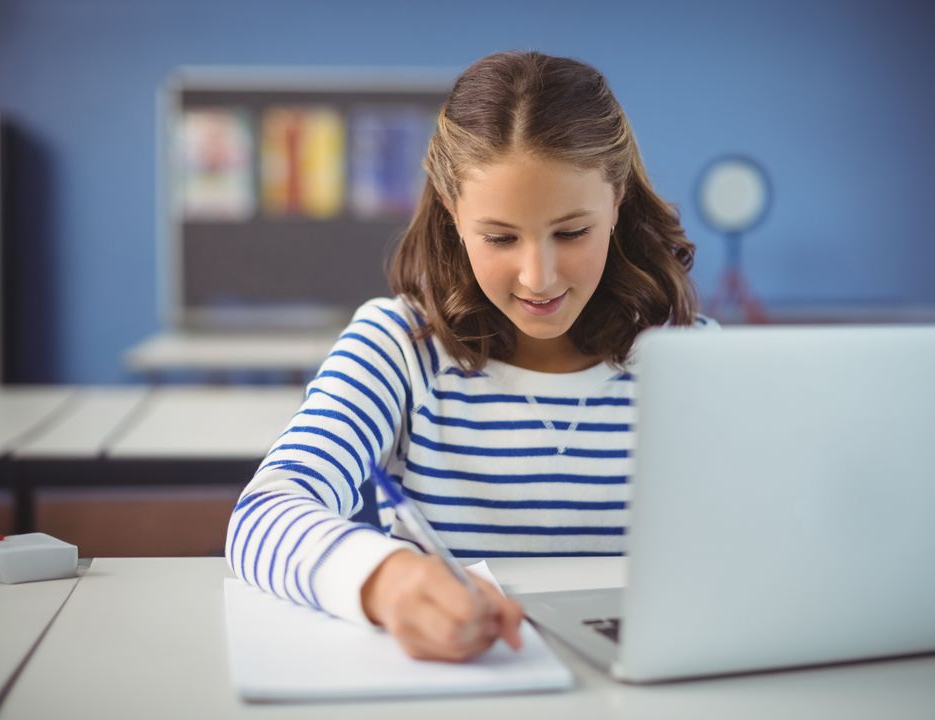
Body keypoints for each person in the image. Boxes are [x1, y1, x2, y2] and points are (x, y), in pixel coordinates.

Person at [225, 49, 714, 663]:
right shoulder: (399, 347)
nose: (538, 277)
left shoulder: (695, 362)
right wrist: (387, 579)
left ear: (616, 201)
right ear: (455, 214)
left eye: (571, 232)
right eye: (500, 237)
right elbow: (263, 513)